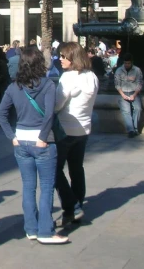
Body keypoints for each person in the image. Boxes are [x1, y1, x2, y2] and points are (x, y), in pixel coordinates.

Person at [0, 46, 68, 244]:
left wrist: (12, 136)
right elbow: (49, 115)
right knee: (46, 187)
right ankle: (46, 230)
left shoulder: (13, 87)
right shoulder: (48, 85)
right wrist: (43, 137)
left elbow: (0, 114)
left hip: (21, 141)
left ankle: (31, 228)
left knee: (28, 187)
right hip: (42, 141)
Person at [54, 42, 99, 228]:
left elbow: (57, 104)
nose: (61, 60)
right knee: (76, 168)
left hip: (66, 129)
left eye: (64, 56)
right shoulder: (92, 76)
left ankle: (72, 205)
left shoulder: (68, 77)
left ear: (73, 57)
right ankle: (76, 205)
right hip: (84, 129)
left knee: (54, 170)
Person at [114, 53, 144, 138]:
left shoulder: (137, 70)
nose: (127, 65)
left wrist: (134, 95)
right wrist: (122, 95)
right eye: (125, 63)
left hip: (134, 92)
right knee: (126, 111)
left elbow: (140, 83)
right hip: (123, 92)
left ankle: (135, 128)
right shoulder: (119, 71)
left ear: (132, 63)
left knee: (138, 109)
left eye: (128, 63)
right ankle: (131, 130)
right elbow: (117, 84)